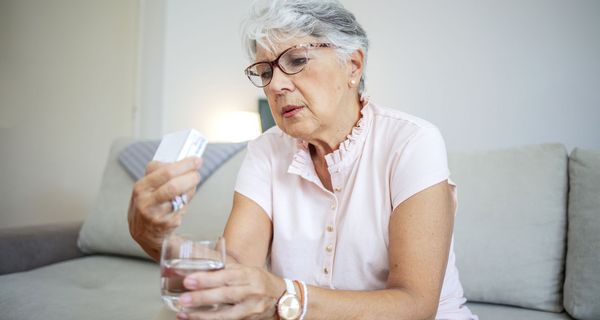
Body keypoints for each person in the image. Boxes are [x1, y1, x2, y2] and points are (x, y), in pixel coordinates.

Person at [128, 0, 478, 319]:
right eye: (265, 71)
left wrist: (285, 295)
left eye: (296, 61)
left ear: (352, 65)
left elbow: (415, 305)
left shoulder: (412, 142)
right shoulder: (266, 150)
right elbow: (233, 272)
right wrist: (153, 238)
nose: (276, 85)